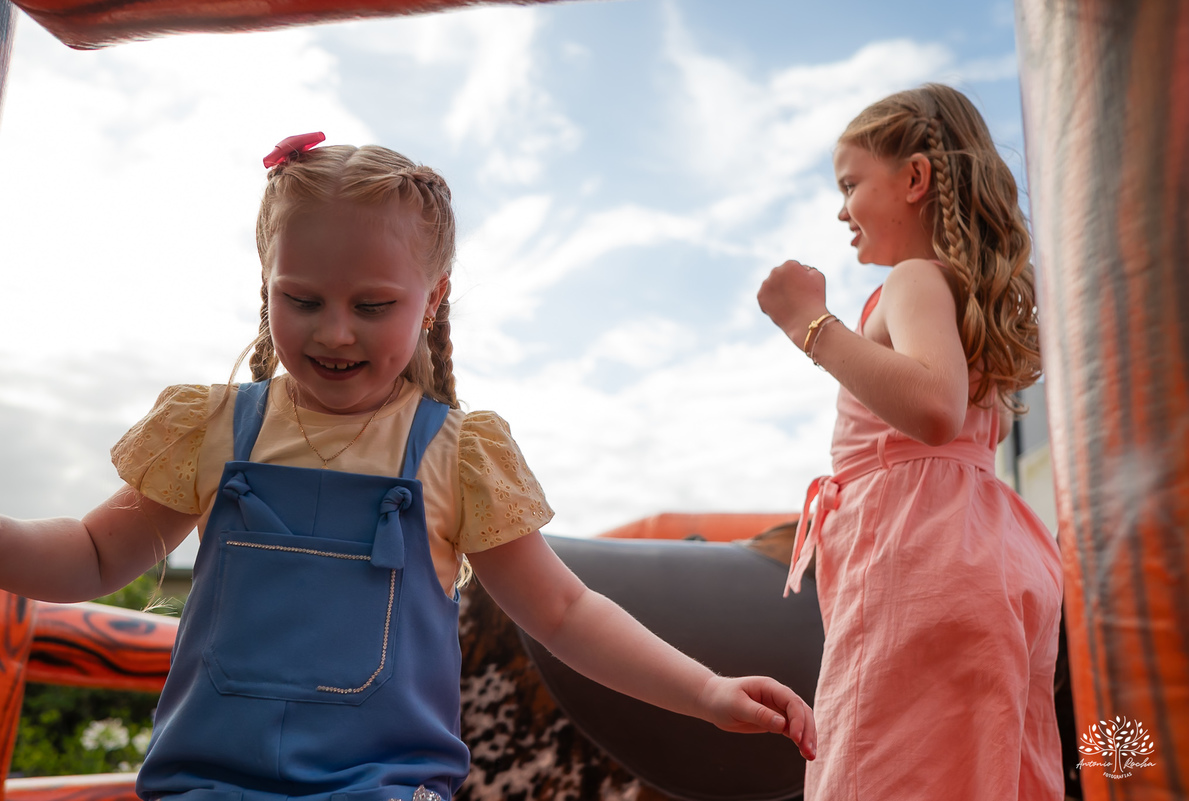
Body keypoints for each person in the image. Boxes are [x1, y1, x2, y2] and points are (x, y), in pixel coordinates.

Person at [0, 134, 815, 801]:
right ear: (267, 285)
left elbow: (564, 611)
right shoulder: (209, 426)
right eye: (303, 299)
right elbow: (95, 552)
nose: (335, 332)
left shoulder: (457, 454)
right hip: (207, 783)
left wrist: (705, 691)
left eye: (372, 304)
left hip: (383, 788)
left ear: (432, 299)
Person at [757, 85, 1063, 800]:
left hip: (915, 563)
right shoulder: (958, 294)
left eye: (851, 183)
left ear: (915, 179)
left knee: (876, 769)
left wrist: (810, 324)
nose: (841, 209)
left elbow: (933, 406)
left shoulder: (915, 279)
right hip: (982, 558)